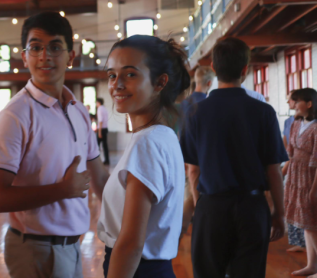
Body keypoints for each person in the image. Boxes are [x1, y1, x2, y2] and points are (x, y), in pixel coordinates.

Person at [0, 12, 109, 278]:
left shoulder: (79, 111)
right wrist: (62, 190)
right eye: (36, 47)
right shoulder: (15, 114)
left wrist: (136, 207)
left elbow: (99, 177)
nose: (45, 56)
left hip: (72, 246)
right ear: (25, 56)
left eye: (54, 47)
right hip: (35, 250)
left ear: (70, 57)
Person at [180, 38, 288, 278]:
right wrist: (279, 214)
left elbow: (193, 170)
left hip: (211, 205)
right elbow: (274, 171)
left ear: (215, 70)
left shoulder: (196, 113)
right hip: (252, 207)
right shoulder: (263, 111)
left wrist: (201, 207)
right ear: (245, 70)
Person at [98, 36, 190, 278]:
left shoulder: (147, 143)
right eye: (111, 75)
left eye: (130, 74)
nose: (116, 84)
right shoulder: (164, 136)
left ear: (160, 82)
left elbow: (130, 244)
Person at [179, 65, 215, 237]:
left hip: (181, 157)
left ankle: (181, 232)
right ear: (209, 82)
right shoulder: (207, 105)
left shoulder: (183, 104)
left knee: (188, 198)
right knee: (195, 199)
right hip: (199, 159)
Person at [285, 88, 317, 276]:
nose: (294, 104)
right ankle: (312, 265)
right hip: (296, 174)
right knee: (306, 223)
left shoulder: (315, 127)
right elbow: (291, 151)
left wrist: (314, 189)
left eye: (297, 101)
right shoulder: (296, 124)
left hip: (310, 176)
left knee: (312, 223)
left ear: (309, 104)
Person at [282, 91, 306, 253]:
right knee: (293, 205)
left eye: (293, 100)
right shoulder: (290, 122)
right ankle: (300, 242)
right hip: (292, 166)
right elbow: (286, 147)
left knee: (305, 208)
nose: (291, 103)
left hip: (304, 169)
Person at [96, 98, 110, 165]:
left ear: (98, 102)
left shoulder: (99, 109)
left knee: (96, 146)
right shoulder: (104, 109)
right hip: (105, 128)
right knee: (105, 146)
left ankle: (95, 161)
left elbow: (100, 121)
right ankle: (107, 160)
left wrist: (99, 132)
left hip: (101, 129)